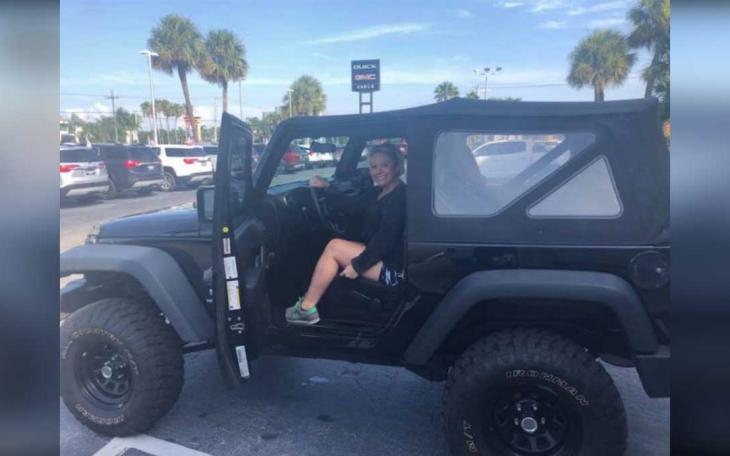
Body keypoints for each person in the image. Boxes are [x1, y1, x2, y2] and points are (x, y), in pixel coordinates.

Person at [285, 143, 406, 325]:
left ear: (396, 166)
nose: (378, 171)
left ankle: (306, 309)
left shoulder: (399, 196)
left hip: (394, 272)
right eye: (374, 166)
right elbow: (352, 206)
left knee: (334, 247)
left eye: (385, 165)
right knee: (337, 244)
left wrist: (358, 265)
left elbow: (386, 239)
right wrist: (327, 188)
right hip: (382, 258)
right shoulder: (378, 192)